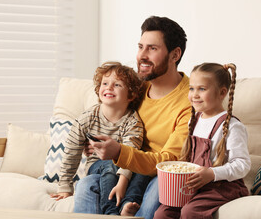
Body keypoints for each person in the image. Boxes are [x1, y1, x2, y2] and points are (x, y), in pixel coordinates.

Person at [74, 16, 192, 219]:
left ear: (175, 55)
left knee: (158, 191)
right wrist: (95, 142)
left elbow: (170, 160)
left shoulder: (190, 100)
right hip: (121, 169)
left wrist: (119, 152)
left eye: (152, 49)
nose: (142, 56)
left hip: (157, 172)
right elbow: (106, 116)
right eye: (140, 47)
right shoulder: (135, 87)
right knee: (86, 184)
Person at [50, 61, 150, 215]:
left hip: (125, 168)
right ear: (98, 89)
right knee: (109, 164)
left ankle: (128, 204)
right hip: (97, 166)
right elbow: (71, 152)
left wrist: (122, 183)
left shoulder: (133, 122)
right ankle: (111, 213)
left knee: (144, 170)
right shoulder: (86, 119)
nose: (109, 87)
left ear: (131, 94)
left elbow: (131, 154)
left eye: (117, 85)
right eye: (105, 83)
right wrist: (65, 187)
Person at [154, 63, 251, 219]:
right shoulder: (194, 121)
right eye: (191, 88)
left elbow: (242, 165)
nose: (195, 95)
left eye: (202, 89)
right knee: (162, 213)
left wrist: (212, 173)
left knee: (190, 211)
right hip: (196, 184)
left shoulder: (232, 126)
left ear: (222, 93)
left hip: (222, 186)